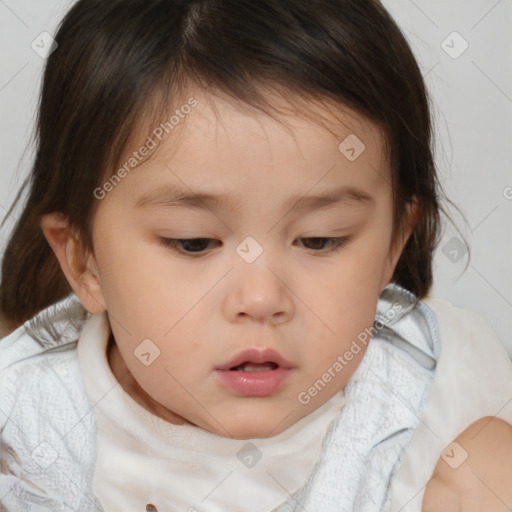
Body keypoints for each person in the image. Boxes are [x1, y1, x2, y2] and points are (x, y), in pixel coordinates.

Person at [1, 0, 511, 511]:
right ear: (84, 261)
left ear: (393, 244)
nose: (262, 298)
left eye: (320, 240)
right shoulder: (24, 434)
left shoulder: (444, 395)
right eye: (193, 242)